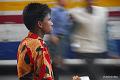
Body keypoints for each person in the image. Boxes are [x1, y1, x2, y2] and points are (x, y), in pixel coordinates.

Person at [17, 3, 54, 80]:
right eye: (49, 20)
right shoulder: (40, 46)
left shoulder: (24, 42)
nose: (52, 23)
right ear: (40, 24)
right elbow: (45, 77)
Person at [45, 0, 73, 80]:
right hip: (55, 39)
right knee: (54, 62)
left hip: (62, 39)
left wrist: (71, 21)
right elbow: (49, 23)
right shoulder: (54, 11)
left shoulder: (65, 12)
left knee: (57, 62)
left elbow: (67, 26)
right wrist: (52, 35)